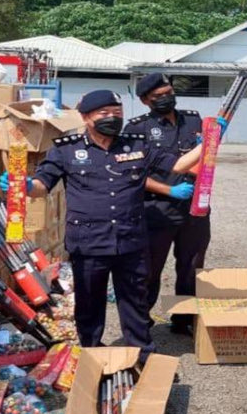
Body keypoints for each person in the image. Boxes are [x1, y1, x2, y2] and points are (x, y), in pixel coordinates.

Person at [19, 89, 204, 361]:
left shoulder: (137, 144)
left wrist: (209, 142)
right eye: (104, 114)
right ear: (85, 117)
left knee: (135, 303)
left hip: (131, 240)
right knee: (89, 304)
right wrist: (23, 186)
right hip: (89, 241)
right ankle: (92, 354)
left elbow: (177, 165)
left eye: (117, 113)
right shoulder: (66, 148)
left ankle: (143, 355)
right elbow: (42, 185)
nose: (112, 118)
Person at [124, 73, 210, 336]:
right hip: (156, 210)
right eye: (158, 96)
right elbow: (132, 174)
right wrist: (170, 189)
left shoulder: (193, 120)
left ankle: (184, 319)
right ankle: (142, 324)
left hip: (194, 210)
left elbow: (205, 158)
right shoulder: (136, 128)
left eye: (169, 92)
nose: (166, 98)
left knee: (191, 266)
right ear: (145, 100)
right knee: (149, 269)